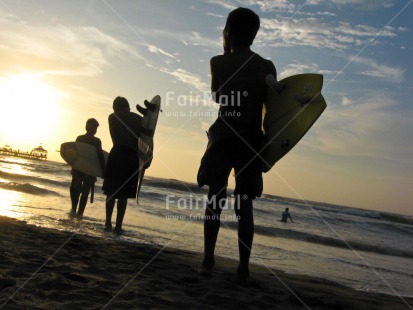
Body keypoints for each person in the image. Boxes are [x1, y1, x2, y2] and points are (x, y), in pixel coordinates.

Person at [197, 7, 277, 282]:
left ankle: (208, 261)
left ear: (228, 31)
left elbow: (218, 96)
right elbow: (273, 108)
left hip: (224, 135)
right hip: (252, 139)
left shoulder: (218, 62)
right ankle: (243, 268)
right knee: (245, 206)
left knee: (215, 199)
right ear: (254, 34)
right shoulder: (267, 66)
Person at [102, 96, 142, 235]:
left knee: (111, 192)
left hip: (118, 154)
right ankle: (117, 226)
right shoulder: (136, 119)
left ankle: (108, 223)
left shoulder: (113, 117)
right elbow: (147, 136)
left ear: (115, 108)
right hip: (131, 157)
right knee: (122, 194)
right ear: (127, 106)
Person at [70, 118, 105, 217]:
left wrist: (102, 171)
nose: (94, 129)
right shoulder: (80, 138)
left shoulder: (97, 141)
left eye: (96, 128)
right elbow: (75, 154)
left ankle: (79, 213)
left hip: (89, 170)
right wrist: (73, 166)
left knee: (85, 193)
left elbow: (100, 156)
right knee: (75, 189)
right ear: (87, 127)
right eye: (93, 127)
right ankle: (73, 210)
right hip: (79, 168)